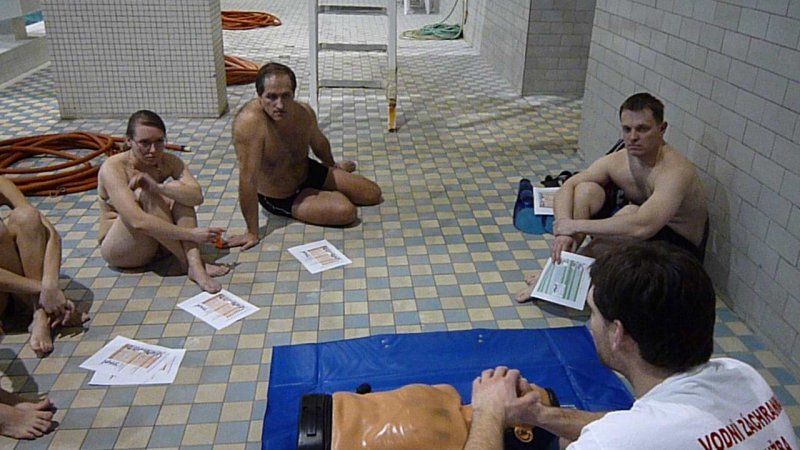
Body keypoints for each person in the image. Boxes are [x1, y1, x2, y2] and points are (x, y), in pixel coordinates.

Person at [467, 242, 798, 450]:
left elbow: (622, 436)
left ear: (618, 334)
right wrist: (539, 415)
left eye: (593, 313)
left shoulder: (611, 443)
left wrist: (488, 414)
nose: (590, 325)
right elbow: (640, 428)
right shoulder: (741, 375)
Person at [516, 92, 708, 302]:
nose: (633, 137)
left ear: (662, 129)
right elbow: (568, 186)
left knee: (626, 217)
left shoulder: (674, 171)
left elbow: (642, 227)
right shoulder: (620, 160)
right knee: (586, 190)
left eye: (642, 129)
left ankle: (560, 276)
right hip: (644, 234)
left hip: (678, 253)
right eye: (627, 129)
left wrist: (576, 225)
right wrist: (563, 228)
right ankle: (564, 265)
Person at [227, 62, 382, 250]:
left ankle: (326, 187)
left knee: (373, 194)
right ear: (260, 96)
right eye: (271, 97)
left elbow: (319, 143)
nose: (280, 105)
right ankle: (318, 197)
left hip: (307, 171)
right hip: (281, 195)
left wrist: (332, 167)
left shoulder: (303, 113)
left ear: (293, 94)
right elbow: (248, 178)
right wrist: (252, 232)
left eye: (286, 96)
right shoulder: (249, 123)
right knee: (346, 211)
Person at [97, 110, 230, 293]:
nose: (153, 150)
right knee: (144, 193)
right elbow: (137, 221)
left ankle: (195, 265)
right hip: (124, 249)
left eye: (159, 142)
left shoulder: (168, 161)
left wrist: (160, 188)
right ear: (128, 141)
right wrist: (191, 234)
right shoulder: (113, 168)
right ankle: (189, 262)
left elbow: (196, 197)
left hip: (159, 245)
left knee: (179, 191)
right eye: (144, 143)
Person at [0, 176, 89, 356]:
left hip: (14, 293)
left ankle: (40, 313)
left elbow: (51, 234)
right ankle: (52, 308)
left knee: (27, 216)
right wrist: (44, 289)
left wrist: (51, 284)